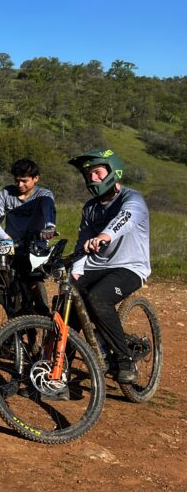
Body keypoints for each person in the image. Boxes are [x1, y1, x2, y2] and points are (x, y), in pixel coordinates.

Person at [68, 148, 150, 384]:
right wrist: (76, 270)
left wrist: (104, 236)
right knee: (67, 300)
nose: (92, 178)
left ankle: (125, 360)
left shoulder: (132, 199)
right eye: (88, 175)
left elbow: (124, 219)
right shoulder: (90, 208)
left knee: (98, 298)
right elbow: (82, 242)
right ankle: (59, 368)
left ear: (113, 172)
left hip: (129, 267)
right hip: (96, 266)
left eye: (97, 173)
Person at [0, 158, 57, 247]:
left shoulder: (44, 195)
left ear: (36, 178)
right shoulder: (6, 192)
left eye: (24, 181)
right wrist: (5, 238)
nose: (20, 185)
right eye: (17, 180)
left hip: (36, 246)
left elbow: (48, 208)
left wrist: (50, 226)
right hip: (8, 243)